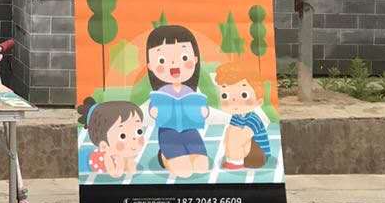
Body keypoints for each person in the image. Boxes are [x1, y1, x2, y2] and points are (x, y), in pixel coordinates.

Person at [145, 24, 210, 179]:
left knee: (201, 167)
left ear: (195, 59)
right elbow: (153, 109)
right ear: (150, 66)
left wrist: (203, 111)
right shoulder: (161, 93)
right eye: (162, 60)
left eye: (184, 58)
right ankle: (164, 156)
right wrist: (156, 111)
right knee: (183, 172)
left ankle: (184, 154)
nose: (174, 65)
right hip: (169, 133)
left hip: (190, 132)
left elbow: (202, 108)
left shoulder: (190, 91)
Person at [215, 60, 271, 171]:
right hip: (244, 150)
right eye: (225, 95)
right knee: (230, 132)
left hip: (258, 155)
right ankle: (232, 160)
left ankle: (236, 162)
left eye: (244, 94)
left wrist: (232, 142)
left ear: (259, 101)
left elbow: (243, 137)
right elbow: (231, 134)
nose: (234, 100)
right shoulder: (236, 116)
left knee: (236, 135)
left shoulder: (253, 118)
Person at [77, 97, 147, 179]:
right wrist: (120, 163)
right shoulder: (108, 157)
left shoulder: (125, 154)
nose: (134, 138)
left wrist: (129, 163)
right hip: (84, 160)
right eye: (123, 136)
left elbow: (132, 169)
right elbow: (116, 174)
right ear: (104, 145)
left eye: (139, 131)